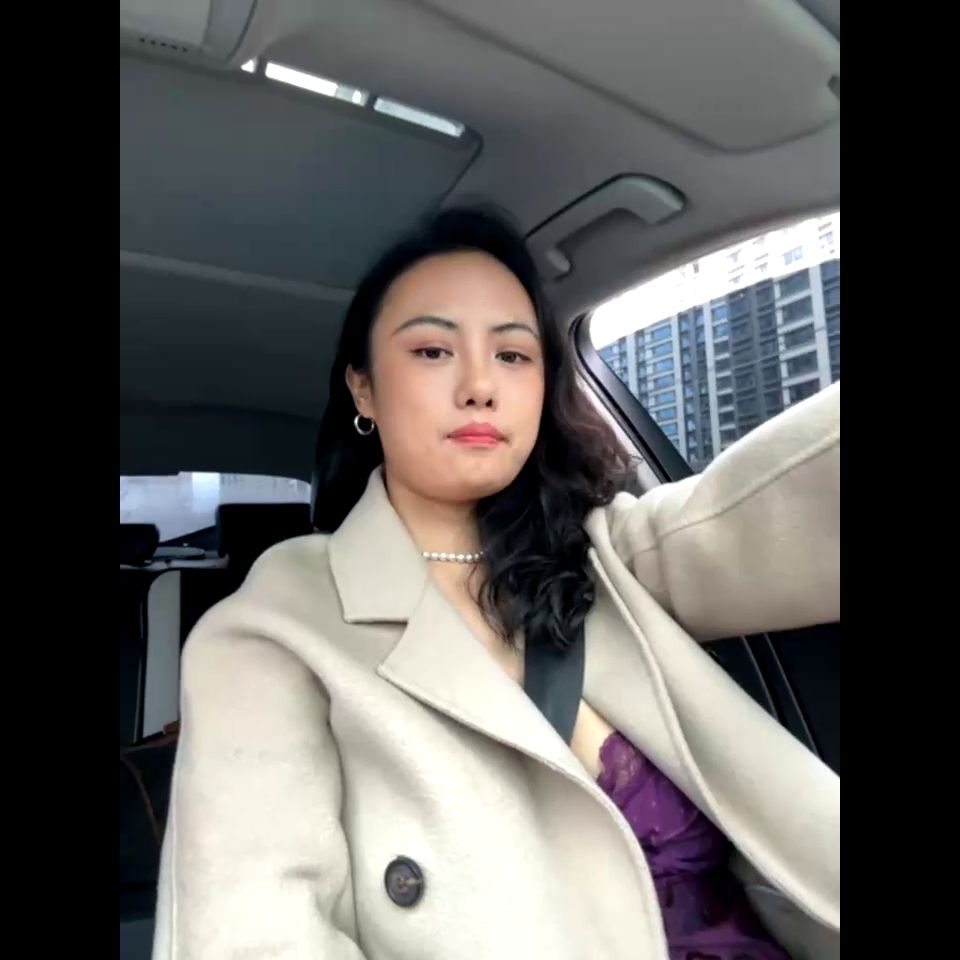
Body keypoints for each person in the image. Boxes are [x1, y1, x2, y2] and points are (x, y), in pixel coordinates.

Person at [153, 208, 839, 960]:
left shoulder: (605, 552)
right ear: (364, 389)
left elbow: (774, 508)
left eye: (513, 355)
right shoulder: (277, 623)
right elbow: (255, 932)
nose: (481, 386)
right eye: (433, 349)